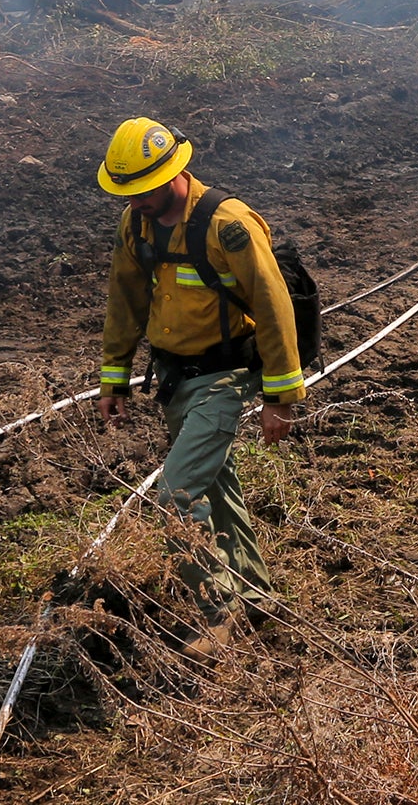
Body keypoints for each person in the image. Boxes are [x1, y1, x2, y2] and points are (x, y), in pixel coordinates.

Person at [95, 116, 306, 659]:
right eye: (126, 192)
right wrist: (113, 376)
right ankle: (257, 595)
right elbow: (125, 298)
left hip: (226, 377)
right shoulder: (134, 226)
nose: (134, 200)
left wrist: (280, 399)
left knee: (175, 497)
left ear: (174, 173)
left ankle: (221, 612)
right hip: (175, 379)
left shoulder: (227, 225)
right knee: (214, 488)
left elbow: (273, 305)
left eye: (141, 190)